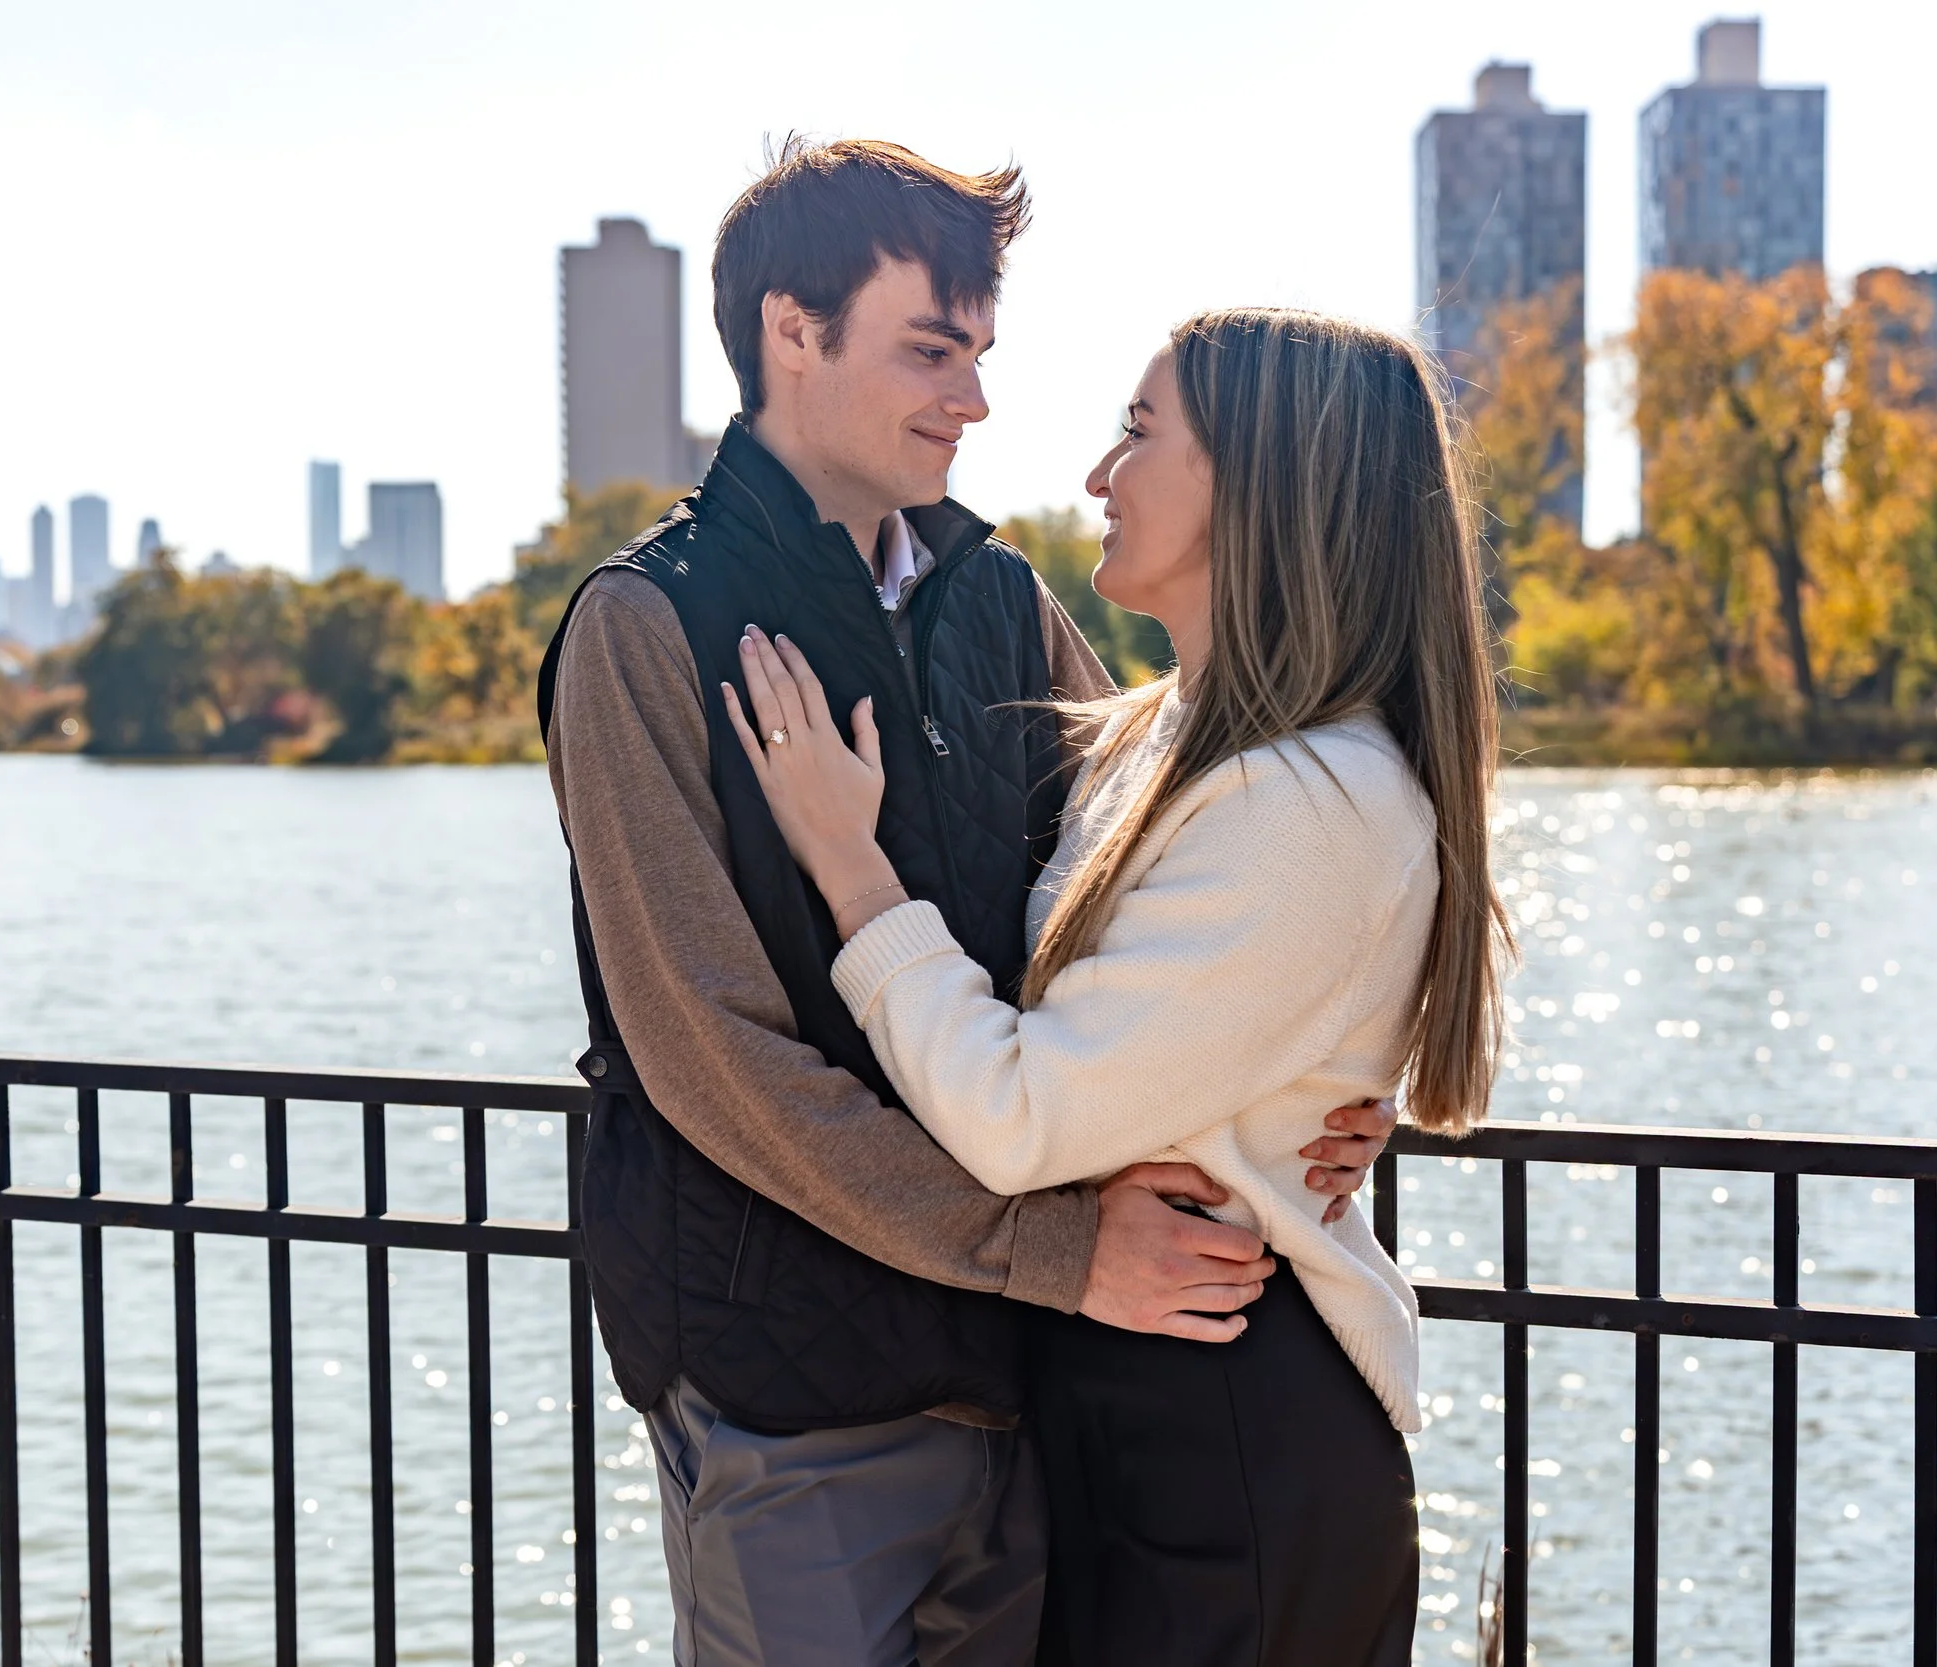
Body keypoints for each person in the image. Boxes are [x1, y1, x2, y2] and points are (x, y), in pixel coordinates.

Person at [537, 141, 1399, 1666]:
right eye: (932, 351)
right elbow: (712, 1059)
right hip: (801, 1407)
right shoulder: (644, 628)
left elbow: (1180, 895)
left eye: (981, 354)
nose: (975, 400)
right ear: (791, 333)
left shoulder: (999, 600)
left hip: (1036, 1386)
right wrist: (1047, 1247)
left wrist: (1318, 1078)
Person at [722, 308, 1511, 1665]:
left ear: (1261, 486)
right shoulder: (1161, 738)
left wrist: (849, 868)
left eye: (1142, 434)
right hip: (1132, 1394)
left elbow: (1025, 1111)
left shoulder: (1313, 798)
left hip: (1230, 1437)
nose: (1099, 474)